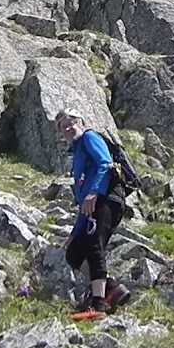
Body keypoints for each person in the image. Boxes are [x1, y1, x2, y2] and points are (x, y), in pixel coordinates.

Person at [57, 109, 132, 320]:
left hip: (107, 198)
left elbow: (105, 164)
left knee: (93, 244)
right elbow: (83, 204)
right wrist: (74, 234)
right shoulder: (77, 154)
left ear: (81, 123)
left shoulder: (89, 137)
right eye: (63, 127)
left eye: (71, 123)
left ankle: (98, 306)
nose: (68, 128)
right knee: (74, 252)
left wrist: (94, 192)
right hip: (93, 202)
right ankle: (112, 288)